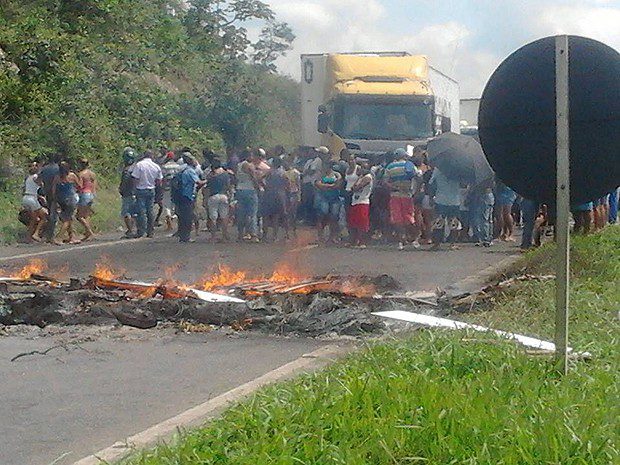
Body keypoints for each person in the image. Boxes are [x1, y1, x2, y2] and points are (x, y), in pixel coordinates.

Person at [384, 148, 418, 250]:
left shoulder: (389, 167)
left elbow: (385, 182)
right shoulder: (409, 165)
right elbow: (418, 177)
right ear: (404, 156)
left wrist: (393, 187)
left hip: (394, 195)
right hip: (407, 195)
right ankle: (413, 239)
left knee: (397, 219)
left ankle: (400, 241)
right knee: (409, 217)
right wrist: (414, 191)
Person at [131, 150, 163, 238]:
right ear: (152, 156)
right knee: (150, 211)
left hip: (141, 189)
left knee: (141, 211)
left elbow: (135, 178)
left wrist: (134, 189)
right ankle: (150, 231)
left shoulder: (139, 165)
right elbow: (159, 181)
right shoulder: (156, 166)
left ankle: (141, 231)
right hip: (151, 189)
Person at [429, 167, 461, 250]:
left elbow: (432, 183)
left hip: (440, 199)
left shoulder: (438, 169)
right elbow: (463, 184)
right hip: (454, 200)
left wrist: (431, 197)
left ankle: (437, 244)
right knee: (454, 223)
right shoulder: (458, 171)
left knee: (438, 223)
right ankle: (452, 244)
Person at [235, 149, 264, 242]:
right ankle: (253, 235)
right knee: (252, 213)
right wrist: (258, 188)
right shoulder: (249, 165)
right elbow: (253, 178)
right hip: (250, 190)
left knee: (241, 213)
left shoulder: (238, 165)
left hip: (240, 189)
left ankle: (240, 234)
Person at [176, 154, 206, 243]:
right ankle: (186, 237)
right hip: (188, 195)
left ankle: (182, 236)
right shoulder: (190, 171)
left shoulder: (182, 169)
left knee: (182, 216)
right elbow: (199, 182)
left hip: (181, 195)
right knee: (188, 217)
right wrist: (208, 179)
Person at [52, 161, 81, 245]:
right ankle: (59, 237)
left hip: (60, 199)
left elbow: (53, 190)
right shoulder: (71, 176)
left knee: (68, 217)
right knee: (67, 219)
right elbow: (79, 186)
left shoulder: (57, 177)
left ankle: (72, 236)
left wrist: (55, 199)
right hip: (70, 198)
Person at [314, 162, 342, 244]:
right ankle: (320, 236)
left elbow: (338, 184)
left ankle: (332, 236)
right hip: (324, 198)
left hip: (334, 198)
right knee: (322, 216)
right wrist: (331, 186)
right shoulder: (320, 175)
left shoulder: (337, 174)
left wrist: (325, 185)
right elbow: (318, 184)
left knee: (334, 217)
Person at [261, 157, 287, 242]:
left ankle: (264, 236)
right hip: (279, 194)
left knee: (266, 216)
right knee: (276, 216)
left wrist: (265, 186)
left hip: (269, 194)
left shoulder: (269, 172)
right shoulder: (282, 172)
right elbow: (287, 183)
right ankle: (274, 236)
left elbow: (260, 178)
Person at [348, 163, 373, 248]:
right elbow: (353, 187)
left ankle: (362, 242)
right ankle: (355, 241)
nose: (362, 169)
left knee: (362, 223)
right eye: (361, 167)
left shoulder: (368, 177)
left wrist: (355, 186)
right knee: (354, 222)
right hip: (355, 201)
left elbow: (357, 187)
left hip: (363, 201)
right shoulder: (361, 177)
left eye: (364, 168)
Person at [205, 159, 231, 242]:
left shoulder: (211, 175)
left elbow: (207, 188)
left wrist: (205, 199)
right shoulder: (226, 174)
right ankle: (224, 236)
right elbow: (228, 186)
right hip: (224, 196)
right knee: (224, 216)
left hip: (213, 196)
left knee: (213, 217)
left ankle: (213, 237)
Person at [21, 161, 47, 242]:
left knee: (33, 218)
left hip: (25, 198)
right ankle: (36, 234)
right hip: (32, 199)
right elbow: (40, 183)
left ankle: (28, 237)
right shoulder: (36, 176)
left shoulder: (28, 178)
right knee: (44, 216)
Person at [301, 146, 328, 225]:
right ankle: (307, 218)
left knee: (311, 201)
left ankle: (311, 220)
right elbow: (305, 170)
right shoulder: (309, 161)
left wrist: (305, 172)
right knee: (306, 201)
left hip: (312, 183)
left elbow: (311, 171)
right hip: (306, 183)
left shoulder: (318, 160)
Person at [38, 153, 60, 243]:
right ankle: (51, 235)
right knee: (55, 214)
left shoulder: (44, 169)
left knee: (50, 212)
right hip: (57, 193)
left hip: (47, 193)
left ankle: (47, 234)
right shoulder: (58, 169)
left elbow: (38, 180)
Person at [76, 158, 97, 241]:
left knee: (79, 216)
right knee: (86, 215)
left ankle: (90, 232)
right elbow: (94, 184)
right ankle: (88, 233)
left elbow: (80, 186)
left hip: (84, 194)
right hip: (91, 194)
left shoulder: (81, 174)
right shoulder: (92, 174)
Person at [160, 152, 181, 231]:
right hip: (176, 188)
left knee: (166, 205)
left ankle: (169, 222)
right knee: (175, 205)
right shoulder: (178, 167)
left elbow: (162, 178)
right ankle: (175, 219)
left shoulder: (164, 167)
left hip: (167, 188)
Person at [119, 148, 137, 238]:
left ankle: (130, 230)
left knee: (126, 212)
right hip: (135, 192)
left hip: (127, 193)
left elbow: (124, 182)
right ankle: (132, 229)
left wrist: (121, 189)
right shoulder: (136, 168)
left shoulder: (127, 170)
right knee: (133, 212)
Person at [283, 157, 301, 239]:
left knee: (293, 214)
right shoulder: (283, 173)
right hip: (286, 194)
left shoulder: (296, 173)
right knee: (286, 214)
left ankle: (294, 231)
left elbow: (298, 185)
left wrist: (299, 196)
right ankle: (287, 232)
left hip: (294, 193)